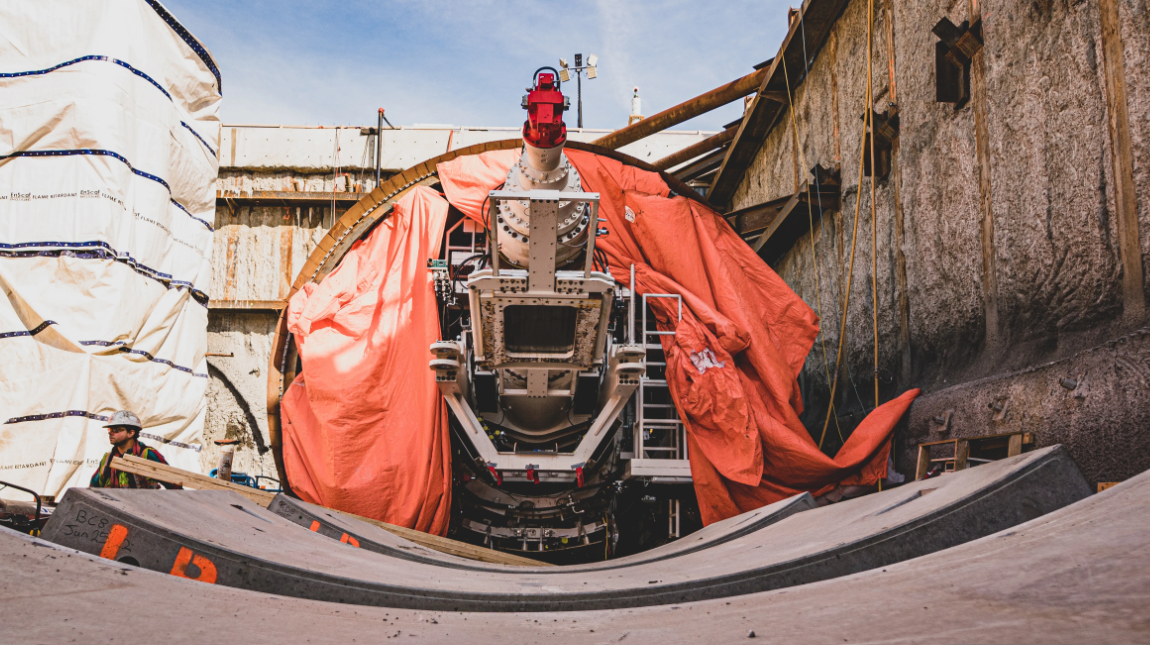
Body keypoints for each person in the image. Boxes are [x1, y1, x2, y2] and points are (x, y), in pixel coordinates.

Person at [90, 410, 182, 489]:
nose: (110, 433)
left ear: (131, 433)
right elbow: (93, 487)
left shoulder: (148, 455)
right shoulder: (107, 459)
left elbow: (174, 486)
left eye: (116, 430)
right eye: (110, 429)